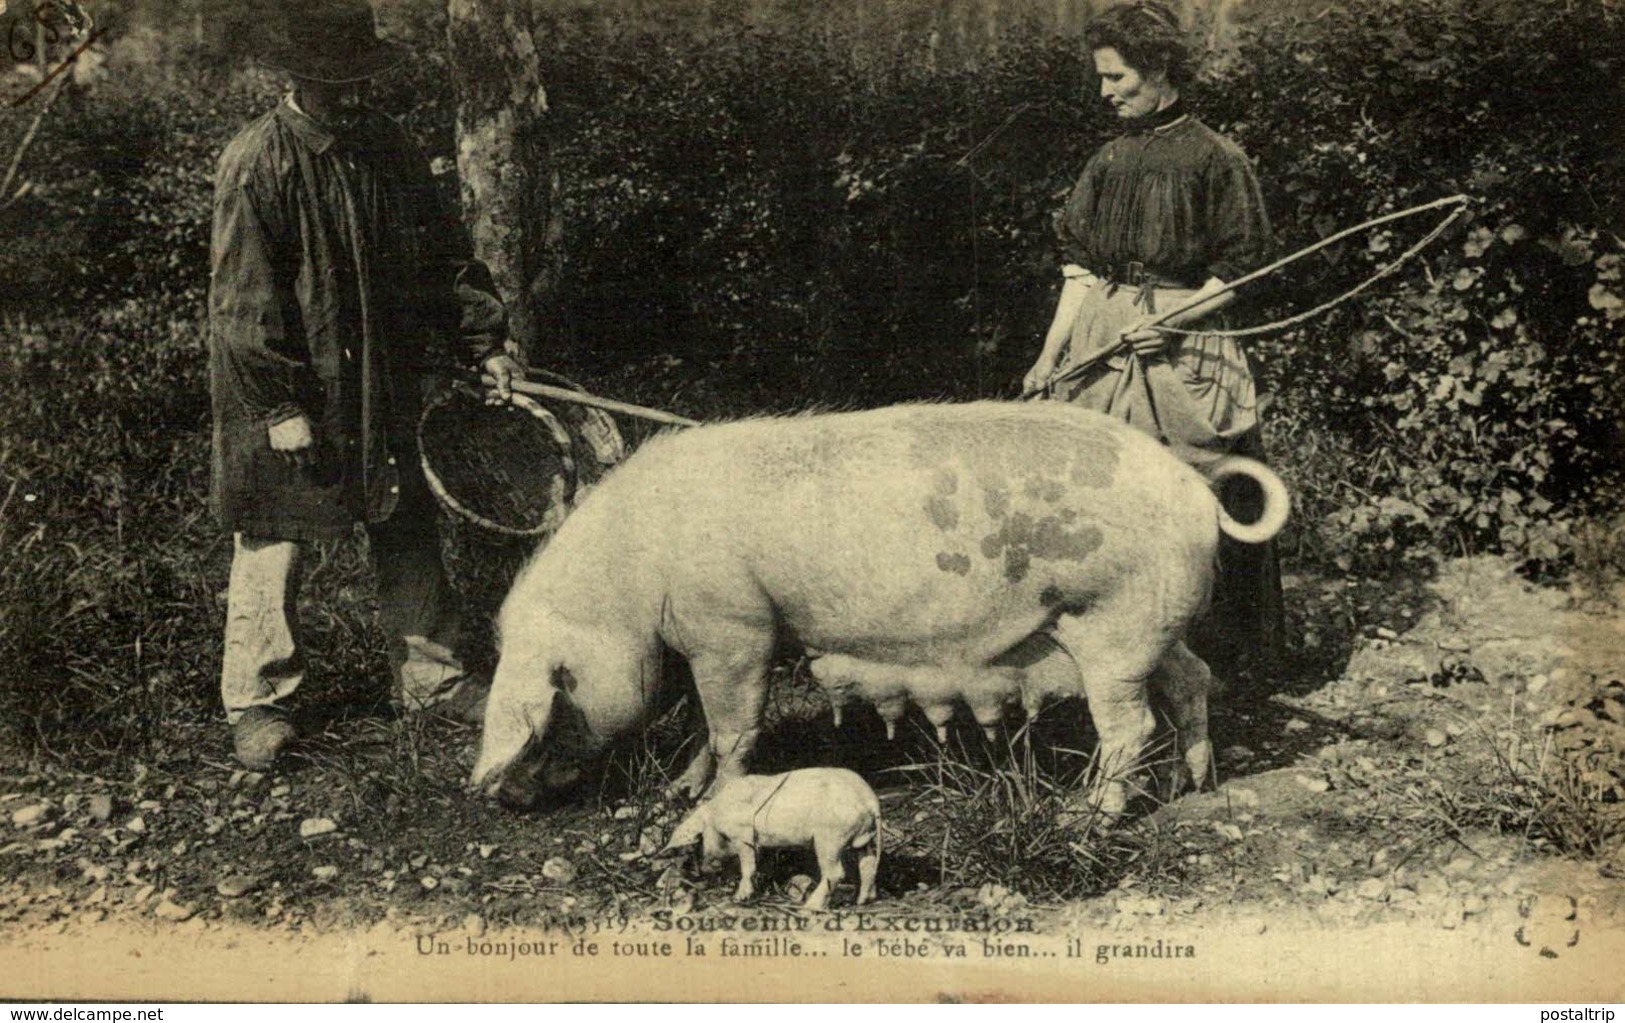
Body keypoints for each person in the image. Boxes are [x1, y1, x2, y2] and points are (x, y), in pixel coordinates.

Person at [208, 0, 525, 769]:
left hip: (385, 379)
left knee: (406, 521)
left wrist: (484, 343)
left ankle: (432, 680)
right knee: (273, 535)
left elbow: (446, 259)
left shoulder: (389, 147)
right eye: (335, 82)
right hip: (290, 389)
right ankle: (258, 699)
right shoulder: (257, 161)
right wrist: (279, 403)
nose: (350, 95)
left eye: (359, 80)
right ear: (302, 80)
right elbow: (241, 302)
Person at [1023, 0, 1284, 678]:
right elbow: (1078, 274)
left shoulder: (1215, 159)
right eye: (1102, 78)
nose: (1104, 92)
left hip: (1181, 346)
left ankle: (1229, 664)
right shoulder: (1106, 162)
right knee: (1098, 501)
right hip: (1103, 341)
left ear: (1159, 68)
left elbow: (1238, 272)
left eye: (1116, 78)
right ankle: (1112, 662)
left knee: (1201, 492)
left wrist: (1171, 322)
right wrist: (1049, 357)